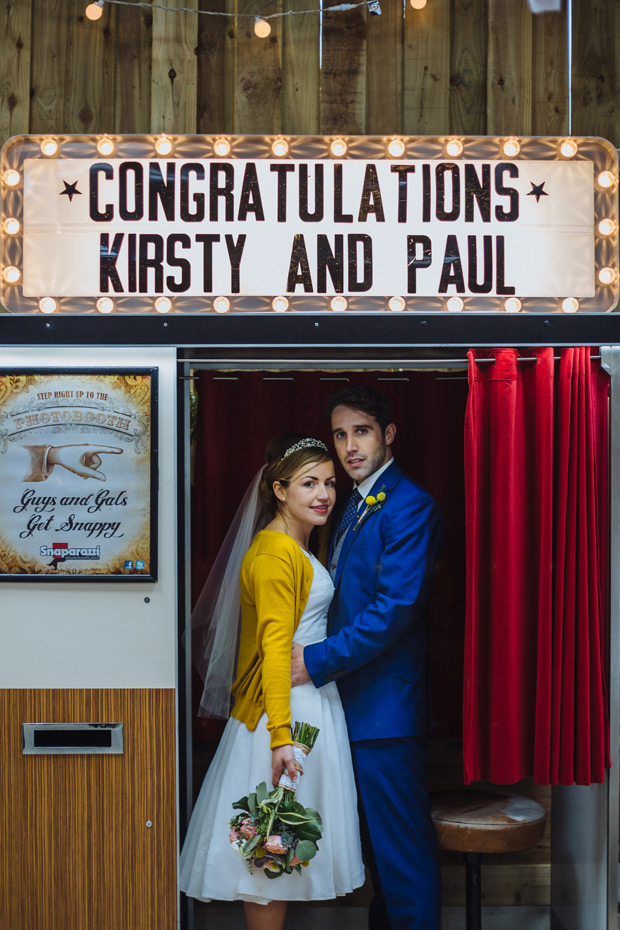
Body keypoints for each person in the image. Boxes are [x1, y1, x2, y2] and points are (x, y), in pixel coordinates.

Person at [180, 434, 365, 930]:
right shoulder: (274, 554)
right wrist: (282, 738)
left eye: (328, 482)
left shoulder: (295, 547)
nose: (324, 493)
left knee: (281, 846)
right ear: (280, 490)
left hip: (309, 703)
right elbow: (274, 649)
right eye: (309, 483)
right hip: (284, 716)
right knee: (270, 847)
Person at [291, 386, 444, 930]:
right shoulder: (352, 502)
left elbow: (392, 610)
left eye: (361, 431)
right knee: (380, 857)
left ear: (388, 435)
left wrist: (315, 659)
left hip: (386, 711)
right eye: (340, 434)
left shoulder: (410, 505)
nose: (350, 446)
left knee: (402, 857)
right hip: (349, 707)